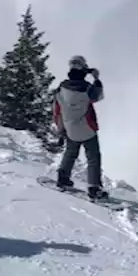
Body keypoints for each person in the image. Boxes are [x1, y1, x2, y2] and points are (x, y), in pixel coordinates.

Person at [52, 55, 107, 199]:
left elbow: (57, 110)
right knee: (93, 157)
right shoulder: (87, 88)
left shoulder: (61, 88)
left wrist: (61, 129)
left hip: (70, 128)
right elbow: (99, 96)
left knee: (70, 153)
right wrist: (96, 79)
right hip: (87, 128)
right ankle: (94, 188)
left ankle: (63, 178)